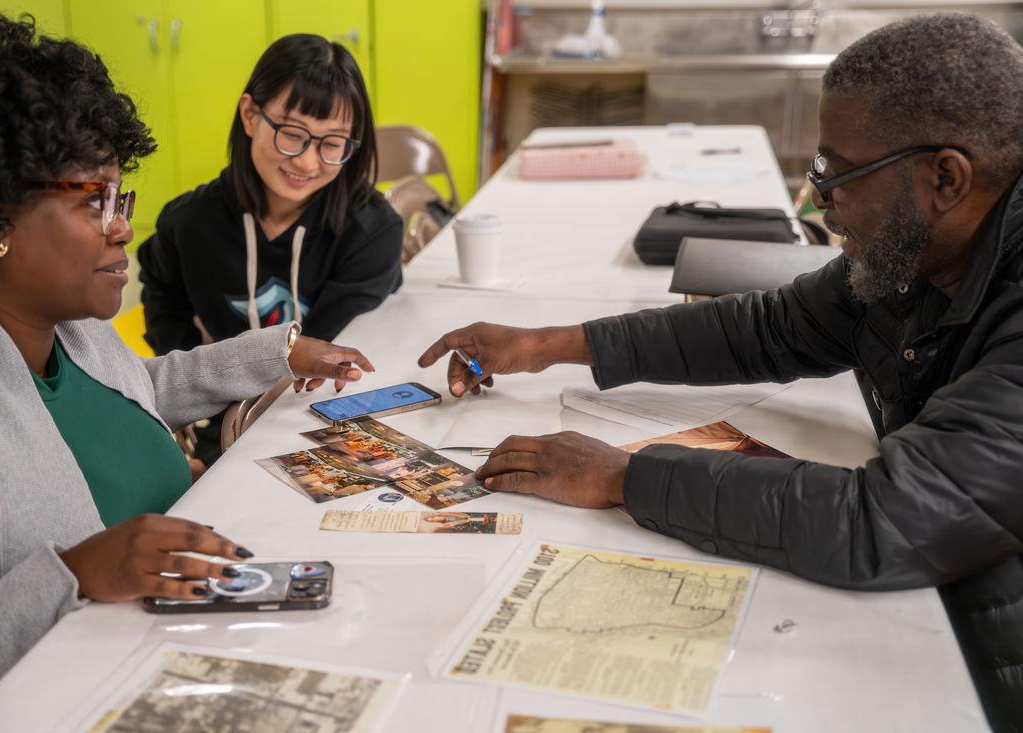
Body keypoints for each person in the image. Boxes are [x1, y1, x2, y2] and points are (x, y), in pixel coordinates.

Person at [418, 13, 1023, 731]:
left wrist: (622, 477)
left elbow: (882, 520)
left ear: (944, 177)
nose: (819, 204)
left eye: (837, 175)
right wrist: (553, 341)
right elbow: (768, 327)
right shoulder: (918, 250)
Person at [0, 16, 374, 731]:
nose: (123, 226)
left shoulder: (68, 329)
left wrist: (275, 352)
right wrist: (72, 575)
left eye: (120, 197)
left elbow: (143, 391)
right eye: (92, 200)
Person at [138, 33, 403, 469]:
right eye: (291, 133)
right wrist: (192, 390)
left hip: (338, 420)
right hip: (229, 428)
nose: (307, 161)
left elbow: (331, 356)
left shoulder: (372, 231)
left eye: (332, 143)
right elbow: (162, 296)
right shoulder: (188, 224)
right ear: (249, 115)